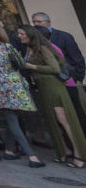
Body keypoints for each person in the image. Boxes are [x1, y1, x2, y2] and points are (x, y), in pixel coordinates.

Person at [0, 21, 44, 168]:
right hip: (12, 84)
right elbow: (20, 63)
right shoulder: (7, 47)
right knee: (12, 118)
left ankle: (9, 150)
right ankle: (31, 155)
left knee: (10, 117)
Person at [19, 25, 86, 167]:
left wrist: (32, 67)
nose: (19, 36)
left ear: (30, 35)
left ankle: (79, 155)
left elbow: (55, 68)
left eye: (22, 33)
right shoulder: (30, 49)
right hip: (42, 87)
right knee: (53, 119)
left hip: (53, 86)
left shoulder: (43, 48)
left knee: (63, 119)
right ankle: (64, 151)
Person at [33, 12, 85, 84]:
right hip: (52, 82)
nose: (36, 24)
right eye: (34, 22)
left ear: (48, 22)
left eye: (38, 21)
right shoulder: (35, 39)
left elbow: (77, 59)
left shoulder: (64, 36)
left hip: (70, 79)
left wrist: (77, 78)